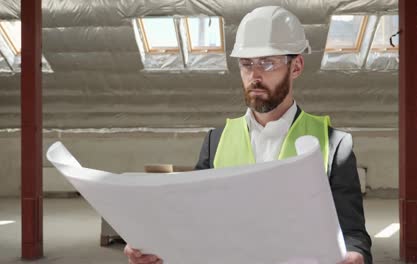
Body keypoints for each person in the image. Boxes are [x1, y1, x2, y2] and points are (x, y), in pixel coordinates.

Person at [125, 6, 372, 264]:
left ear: (296, 66)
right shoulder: (216, 142)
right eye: (246, 64)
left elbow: (352, 233)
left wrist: (356, 256)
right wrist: (156, 247)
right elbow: (194, 221)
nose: (255, 75)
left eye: (267, 62)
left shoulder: (334, 145)